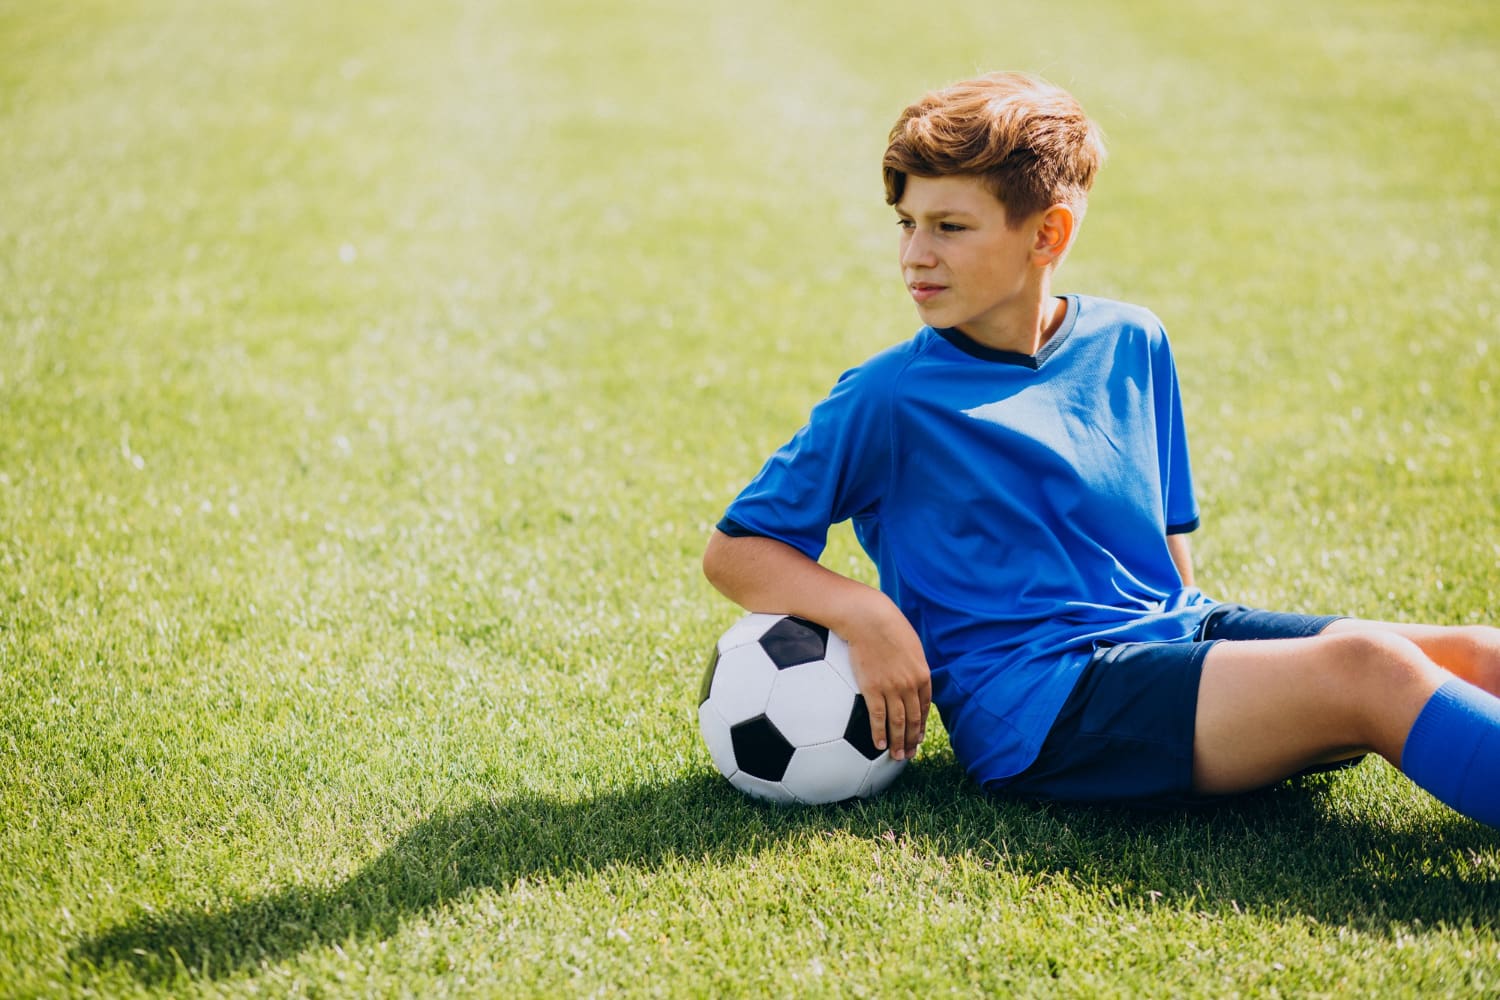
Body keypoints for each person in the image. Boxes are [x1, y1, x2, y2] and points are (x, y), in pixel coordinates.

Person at [701, 71, 1500, 825]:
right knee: (1367, 668)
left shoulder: (1132, 339)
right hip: (1044, 704)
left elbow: (1166, 539)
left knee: (1476, 653)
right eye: (907, 223)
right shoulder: (887, 398)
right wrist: (868, 613)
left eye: (950, 227)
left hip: (1172, 630)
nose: (915, 255)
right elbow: (737, 552)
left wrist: (1224, 672)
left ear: (1048, 234)